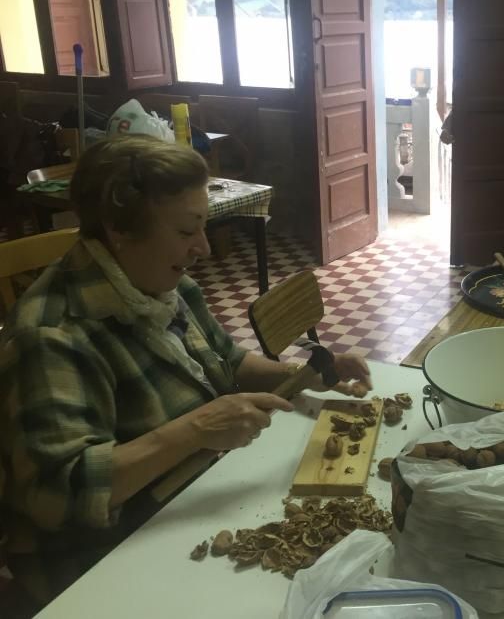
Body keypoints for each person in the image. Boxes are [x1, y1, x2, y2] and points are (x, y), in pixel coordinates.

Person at [0, 136, 372, 608]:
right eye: (185, 231)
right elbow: (60, 496)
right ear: (119, 228)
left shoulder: (162, 285)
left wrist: (308, 373)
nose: (203, 248)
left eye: (203, 227)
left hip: (194, 495)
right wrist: (197, 429)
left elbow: (229, 361)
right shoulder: (52, 335)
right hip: (103, 561)